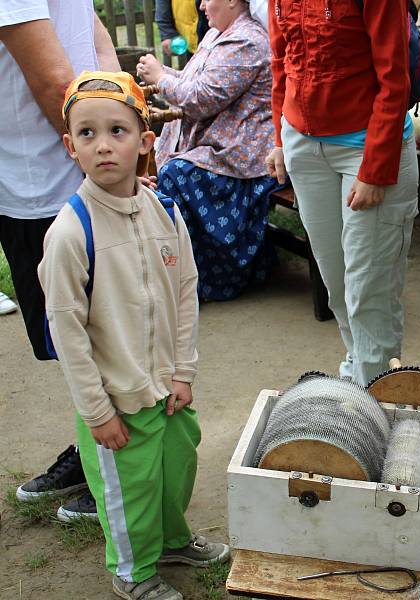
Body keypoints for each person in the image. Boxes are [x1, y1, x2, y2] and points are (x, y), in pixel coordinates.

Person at [40, 70, 229, 600]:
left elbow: (186, 293)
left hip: (169, 391)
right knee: (130, 492)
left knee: (174, 474)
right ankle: (132, 572)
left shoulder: (166, 212)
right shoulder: (70, 232)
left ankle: (171, 541)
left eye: (118, 131)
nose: (103, 146)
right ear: (69, 146)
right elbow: (68, 333)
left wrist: (183, 371)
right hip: (117, 402)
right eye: (87, 133)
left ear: (146, 142)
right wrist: (97, 411)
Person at [1, 0, 118, 522]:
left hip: (63, 186)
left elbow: (71, 61)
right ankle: (93, 449)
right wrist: (119, 137)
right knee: (79, 340)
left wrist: (117, 132)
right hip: (38, 183)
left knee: (98, 339)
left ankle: (112, 471)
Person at [266, 0, 419, 385]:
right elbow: (280, 60)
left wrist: (377, 167)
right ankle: (362, 377)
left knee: (370, 289)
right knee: (337, 283)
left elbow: (394, 77)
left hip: (367, 151)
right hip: (303, 146)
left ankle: (375, 403)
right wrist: (281, 139)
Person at [138, 0, 284, 301]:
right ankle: (179, 278)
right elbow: (195, 83)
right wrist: (162, 72)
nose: (201, 5)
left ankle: (211, 279)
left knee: (176, 176)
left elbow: (202, 98)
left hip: (243, 156)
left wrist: (160, 79)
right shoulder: (216, 34)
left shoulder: (247, 41)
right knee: (169, 174)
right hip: (220, 145)